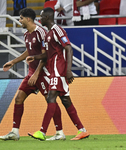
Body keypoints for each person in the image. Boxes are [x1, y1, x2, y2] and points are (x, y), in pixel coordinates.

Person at [0, 8, 66, 141]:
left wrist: (36, 74)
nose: (19, 21)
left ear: (28, 19)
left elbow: (45, 55)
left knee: (50, 101)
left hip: (42, 73)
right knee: (19, 99)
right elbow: (29, 52)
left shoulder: (41, 32)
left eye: (21, 18)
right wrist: (13, 61)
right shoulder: (26, 34)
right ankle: (15, 132)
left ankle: (60, 132)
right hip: (31, 73)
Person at [26, 7, 89, 141]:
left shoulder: (57, 30)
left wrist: (68, 70)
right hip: (54, 70)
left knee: (51, 97)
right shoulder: (49, 34)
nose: (39, 19)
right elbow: (48, 54)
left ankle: (42, 131)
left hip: (59, 70)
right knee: (65, 100)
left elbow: (68, 48)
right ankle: (81, 130)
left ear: (47, 18)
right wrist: (35, 57)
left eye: (41, 17)